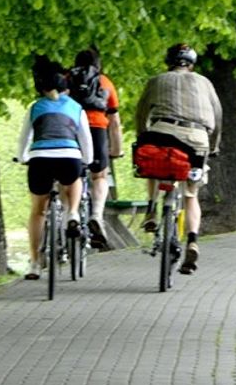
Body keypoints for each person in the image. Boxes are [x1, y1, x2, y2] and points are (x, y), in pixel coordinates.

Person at [133, 43, 222, 275]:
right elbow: (218, 115)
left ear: (168, 62)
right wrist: (213, 146)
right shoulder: (205, 82)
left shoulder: (157, 80)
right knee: (191, 194)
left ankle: (152, 210)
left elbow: (141, 112)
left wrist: (142, 136)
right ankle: (192, 240)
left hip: (162, 131)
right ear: (191, 64)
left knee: (153, 163)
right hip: (197, 138)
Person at [15, 56, 94, 280]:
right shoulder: (76, 107)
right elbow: (85, 140)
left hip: (40, 158)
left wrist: (22, 158)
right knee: (74, 179)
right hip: (68, 157)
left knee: (38, 211)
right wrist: (86, 161)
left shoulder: (35, 107)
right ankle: (72, 213)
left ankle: (34, 262)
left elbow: (24, 139)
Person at [67, 47, 122, 250]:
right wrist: (116, 149)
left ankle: (68, 214)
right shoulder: (105, 82)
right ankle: (97, 215)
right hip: (97, 128)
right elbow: (114, 121)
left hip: (70, 127)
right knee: (99, 176)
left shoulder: (66, 78)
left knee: (70, 176)